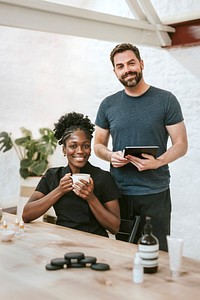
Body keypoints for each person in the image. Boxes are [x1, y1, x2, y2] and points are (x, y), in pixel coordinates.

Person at [94, 43, 188, 250]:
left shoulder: (166, 100)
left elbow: (181, 144)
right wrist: (110, 156)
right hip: (118, 194)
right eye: (120, 66)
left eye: (131, 63)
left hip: (155, 193)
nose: (127, 69)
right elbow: (98, 145)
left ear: (141, 64)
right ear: (115, 71)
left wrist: (158, 162)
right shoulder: (108, 104)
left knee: (157, 253)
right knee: (124, 254)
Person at [22, 112, 120, 237]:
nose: (80, 151)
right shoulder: (53, 175)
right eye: (73, 146)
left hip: (95, 244)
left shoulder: (103, 177)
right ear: (64, 149)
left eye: (85, 146)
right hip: (62, 241)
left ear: (90, 149)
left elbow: (115, 227)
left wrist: (91, 198)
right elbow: (26, 215)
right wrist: (60, 190)